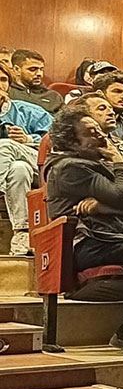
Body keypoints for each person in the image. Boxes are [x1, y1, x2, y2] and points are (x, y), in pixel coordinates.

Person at [42, 104, 123, 352]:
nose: (101, 134)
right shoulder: (70, 167)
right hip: (89, 244)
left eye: (99, 129)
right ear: (71, 142)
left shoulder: (98, 165)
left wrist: (104, 207)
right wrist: (119, 164)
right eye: (90, 132)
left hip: (113, 239)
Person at [0, 66, 50, 254]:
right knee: (18, 169)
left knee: (4, 146)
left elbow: (58, 138)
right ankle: (21, 232)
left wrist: (29, 139)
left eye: (3, 80)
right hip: (20, 169)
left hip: (35, 161)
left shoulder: (28, 110)